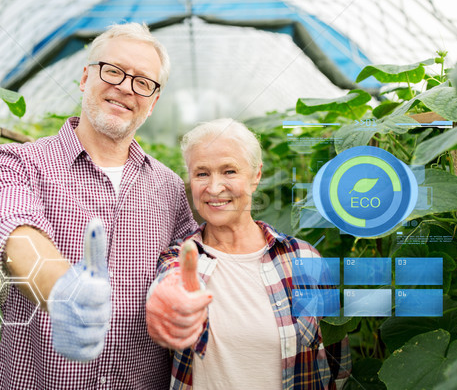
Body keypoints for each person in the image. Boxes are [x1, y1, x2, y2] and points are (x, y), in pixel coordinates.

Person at [0, 22, 210, 389]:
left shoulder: (167, 186)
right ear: (86, 76)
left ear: (153, 102)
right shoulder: (16, 162)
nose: (124, 88)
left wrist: (175, 293)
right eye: (113, 71)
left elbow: (184, 263)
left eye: (143, 82)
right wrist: (62, 289)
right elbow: (16, 230)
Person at [146, 118, 351, 389]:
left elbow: (337, 365)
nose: (214, 187)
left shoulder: (305, 259)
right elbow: (168, 286)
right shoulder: (179, 259)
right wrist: (169, 301)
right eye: (201, 173)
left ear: (256, 176)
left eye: (229, 171)